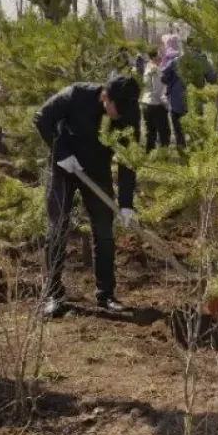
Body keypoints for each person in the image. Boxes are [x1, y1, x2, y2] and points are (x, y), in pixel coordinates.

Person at [34, 73, 142, 318]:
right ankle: (53, 293)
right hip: (63, 167)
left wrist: (126, 204)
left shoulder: (130, 113)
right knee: (58, 227)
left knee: (104, 230)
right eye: (117, 109)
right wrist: (61, 152)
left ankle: (106, 294)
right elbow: (41, 118)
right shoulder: (76, 95)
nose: (120, 115)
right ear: (105, 96)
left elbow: (128, 159)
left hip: (97, 170)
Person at [159, 33, 188, 149]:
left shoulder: (170, 59)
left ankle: (181, 147)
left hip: (175, 96)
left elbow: (163, 77)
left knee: (177, 124)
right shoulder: (186, 58)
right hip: (188, 94)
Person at [141, 49, 171, 151]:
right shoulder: (155, 70)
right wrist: (166, 105)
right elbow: (158, 91)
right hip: (156, 104)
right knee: (164, 132)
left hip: (145, 103)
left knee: (150, 131)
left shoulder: (147, 68)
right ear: (154, 57)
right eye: (159, 55)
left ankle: (150, 153)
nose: (161, 57)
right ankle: (164, 155)